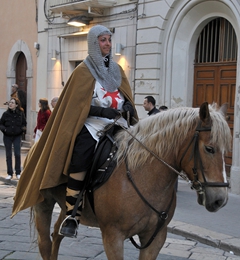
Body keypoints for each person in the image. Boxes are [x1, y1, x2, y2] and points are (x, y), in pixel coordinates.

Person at [12, 25, 138, 238]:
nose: (107, 44)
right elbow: (75, 105)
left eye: (108, 39)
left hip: (119, 125)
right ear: (94, 43)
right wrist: (101, 110)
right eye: (103, 40)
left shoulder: (118, 71)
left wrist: (127, 107)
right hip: (93, 125)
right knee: (81, 155)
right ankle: (72, 213)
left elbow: (125, 96)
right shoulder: (83, 71)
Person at [0, 97, 27, 180]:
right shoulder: (5, 114)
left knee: (17, 154)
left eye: (12, 103)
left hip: (17, 136)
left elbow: (24, 124)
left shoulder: (20, 113)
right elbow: (1, 124)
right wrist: (4, 129)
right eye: (10, 102)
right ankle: (10, 173)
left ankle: (18, 172)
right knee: (8, 155)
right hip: (7, 136)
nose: (10, 104)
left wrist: (21, 130)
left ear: (16, 105)